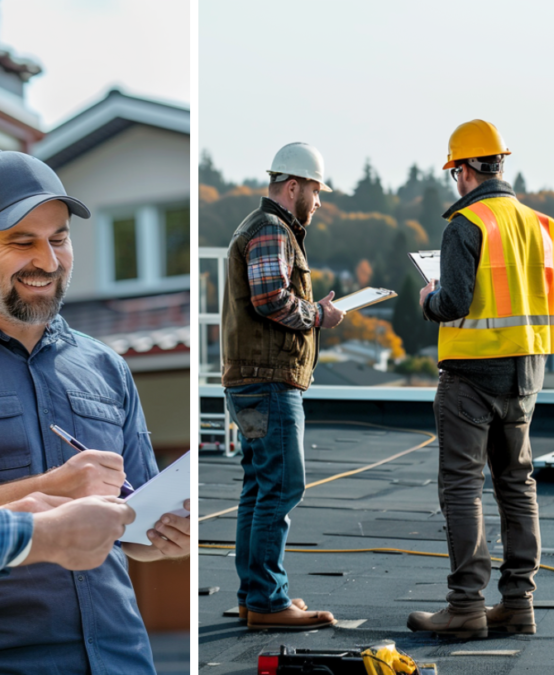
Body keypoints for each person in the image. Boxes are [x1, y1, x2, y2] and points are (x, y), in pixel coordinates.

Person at [0, 150, 190, 674]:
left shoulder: (107, 367)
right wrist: (53, 487)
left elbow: (135, 526)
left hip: (122, 659)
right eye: (22, 242)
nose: (46, 259)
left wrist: (164, 538)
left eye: (59, 238)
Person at [407, 120, 554, 639]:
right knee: (517, 484)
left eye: (455, 171)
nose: (455, 181)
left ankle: (466, 607)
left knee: (462, 487)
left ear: (465, 169)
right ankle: (519, 604)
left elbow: (453, 303)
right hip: (526, 376)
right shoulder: (537, 225)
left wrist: (427, 298)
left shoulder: (465, 224)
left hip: (471, 377)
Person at [221, 142, 345, 631]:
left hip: (253, 382)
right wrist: (320, 314)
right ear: (293, 186)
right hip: (270, 383)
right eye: (315, 191)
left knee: (259, 488)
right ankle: (270, 601)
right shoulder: (272, 230)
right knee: (281, 487)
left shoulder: (263, 229)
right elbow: (271, 298)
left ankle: (256, 596)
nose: (318, 202)